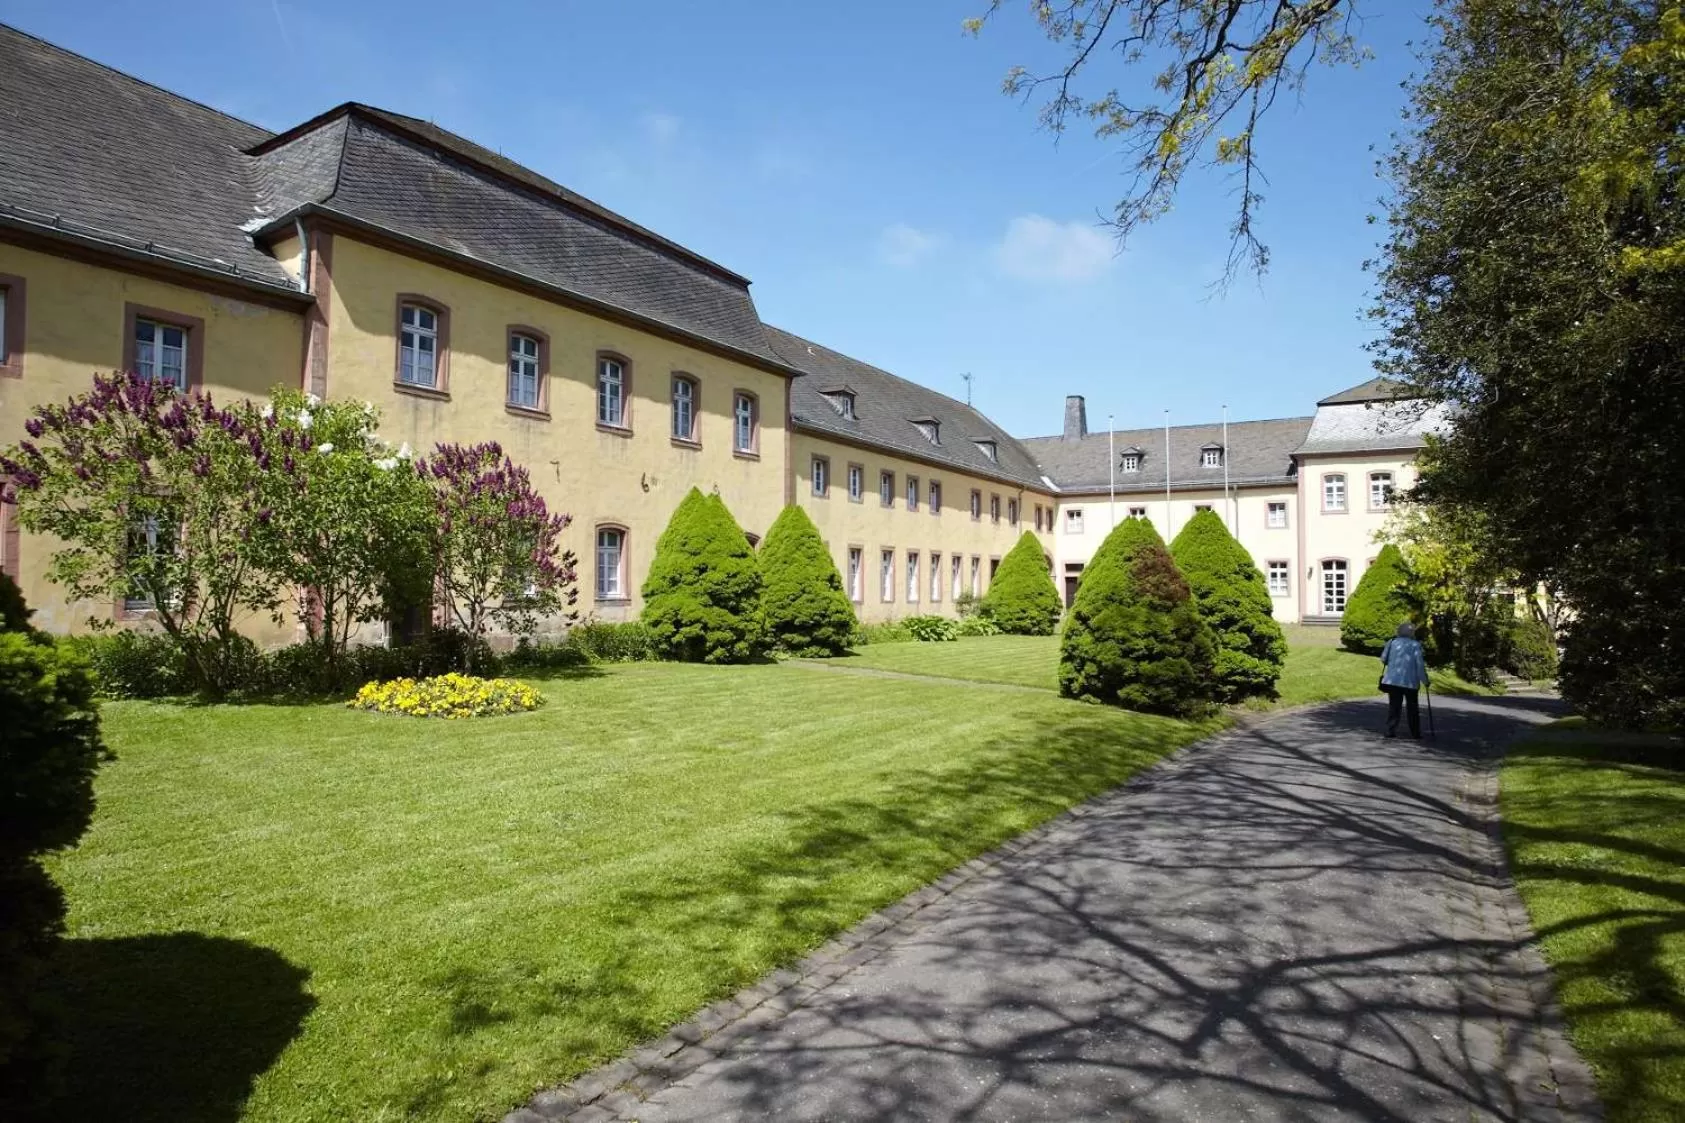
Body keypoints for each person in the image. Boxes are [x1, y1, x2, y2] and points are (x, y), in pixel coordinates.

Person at [1380, 621, 1430, 739]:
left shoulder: (1391, 642)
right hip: (1410, 682)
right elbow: (1419, 665)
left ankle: (1390, 730)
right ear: (1412, 633)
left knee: (1394, 707)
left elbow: (1383, 659)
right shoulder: (1415, 645)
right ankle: (1415, 733)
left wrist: (1391, 662)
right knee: (1412, 708)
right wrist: (1425, 680)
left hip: (1393, 681)